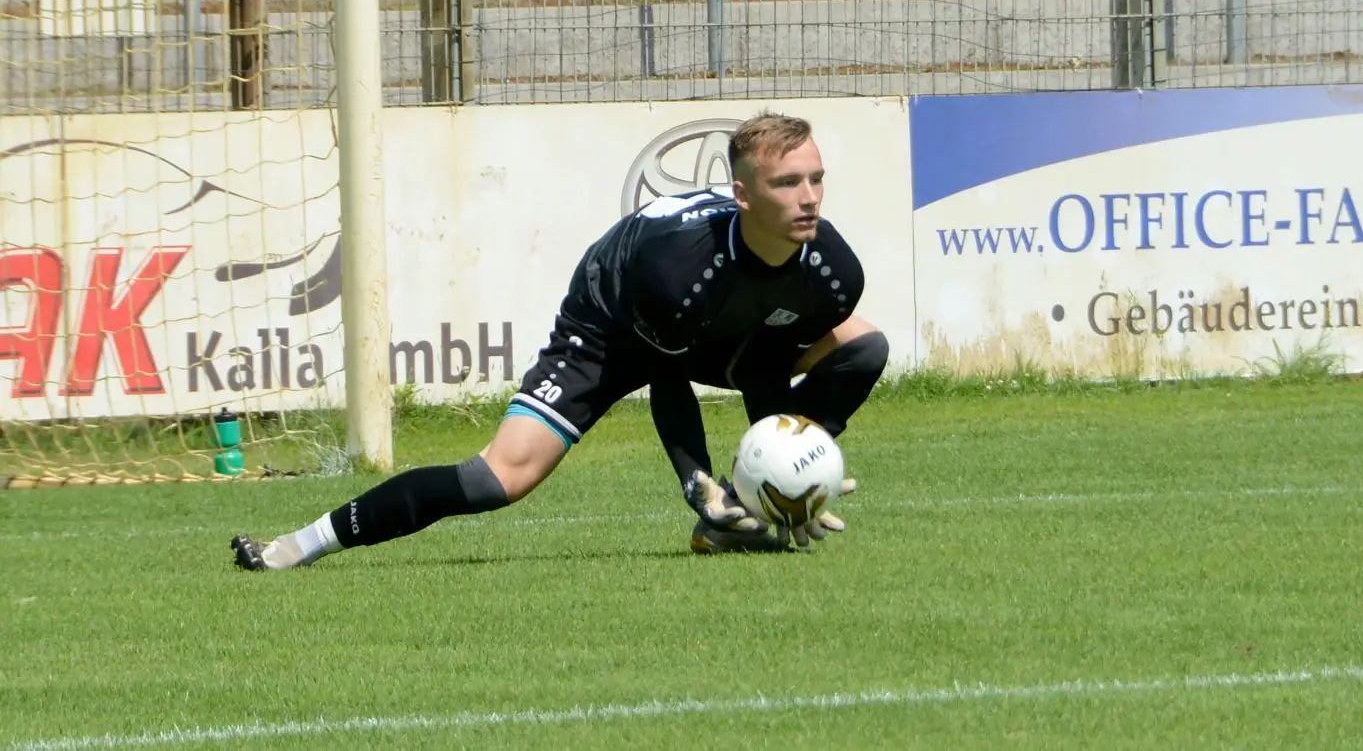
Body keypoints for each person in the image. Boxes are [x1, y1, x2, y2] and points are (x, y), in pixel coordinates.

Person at [229, 111, 889, 570]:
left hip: (716, 324)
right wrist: (699, 485)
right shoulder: (675, 270)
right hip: (608, 316)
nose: (808, 198)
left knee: (865, 347)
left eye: (815, 178)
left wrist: (778, 480)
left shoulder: (833, 271)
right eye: (786, 183)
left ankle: (734, 522)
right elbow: (668, 378)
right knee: (498, 479)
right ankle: (300, 544)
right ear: (744, 195)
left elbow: (766, 368)